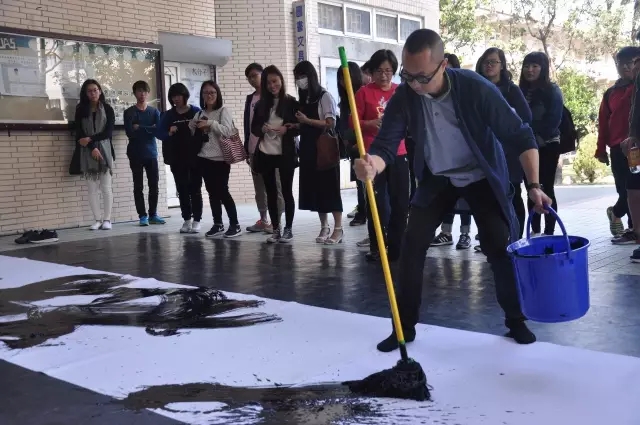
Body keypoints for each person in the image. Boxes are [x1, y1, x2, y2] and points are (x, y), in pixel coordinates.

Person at [353, 29, 552, 352]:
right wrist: (372, 165)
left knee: (499, 245)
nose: (414, 84)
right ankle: (403, 327)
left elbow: (521, 135)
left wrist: (533, 186)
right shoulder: (407, 96)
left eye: (421, 77)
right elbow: (387, 145)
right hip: (437, 176)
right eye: (408, 75)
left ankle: (515, 319)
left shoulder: (476, 89)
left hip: (481, 176)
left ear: (443, 65)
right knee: (410, 244)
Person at [353, 49, 410, 263]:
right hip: (373, 156)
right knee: (378, 204)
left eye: (388, 70)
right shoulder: (363, 93)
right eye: (379, 70)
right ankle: (377, 246)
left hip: (399, 154)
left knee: (401, 203)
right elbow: (353, 124)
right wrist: (369, 124)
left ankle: (396, 248)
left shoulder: (400, 91)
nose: (384, 75)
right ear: (372, 71)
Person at [474, 47, 533, 252]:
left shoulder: (510, 90)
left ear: (502, 66)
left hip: (507, 151)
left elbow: (525, 118)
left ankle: (515, 237)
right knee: (487, 196)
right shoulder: (474, 87)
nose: (489, 65)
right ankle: (492, 239)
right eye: (486, 62)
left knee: (512, 194)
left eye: (493, 62)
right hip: (482, 150)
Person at [293, 60, 343, 244]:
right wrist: (297, 124)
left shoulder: (324, 96)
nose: (300, 81)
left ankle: (338, 228)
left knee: (330, 189)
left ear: (311, 76)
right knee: (316, 190)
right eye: (297, 77)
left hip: (324, 149)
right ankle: (324, 226)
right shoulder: (305, 99)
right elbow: (305, 123)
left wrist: (307, 121)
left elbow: (330, 123)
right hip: (308, 150)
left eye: (302, 76)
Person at [251, 65, 300, 243]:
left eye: (275, 81)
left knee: (286, 191)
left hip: (285, 152)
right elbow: (253, 128)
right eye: (268, 82)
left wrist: (286, 128)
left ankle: (288, 229)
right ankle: (276, 229)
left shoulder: (291, 102)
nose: (272, 85)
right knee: (271, 192)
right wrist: (262, 129)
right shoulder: (261, 104)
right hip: (265, 152)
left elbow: (299, 127)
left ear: (281, 80)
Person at [431, 52, 475, 250]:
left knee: (465, 201)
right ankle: (446, 232)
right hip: (443, 161)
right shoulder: (431, 97)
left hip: (466, 161)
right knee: (446, 199)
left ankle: (465, 234)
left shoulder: (465, 93)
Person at [596, 47, 640, 241]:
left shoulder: (636, 88)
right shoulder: (610, 93)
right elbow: (603, 122)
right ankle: (631, 227)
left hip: (635, 146)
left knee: (635, 188)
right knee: (624, 189)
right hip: (617, 148)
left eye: (630, 63)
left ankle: (620, 216)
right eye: (621, 64)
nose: (626, 68)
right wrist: (600, 149)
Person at [189, 80, 242, 238]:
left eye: (212, 92)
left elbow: (227, 131)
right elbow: (193, 132)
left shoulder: (223, 110)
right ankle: (217, 223)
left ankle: (235, 224)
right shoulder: (199, 112)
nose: (209, 95)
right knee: (212, 193)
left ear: (217, 94)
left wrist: (210, 124)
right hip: (203, 157)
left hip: (220, 158)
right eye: (206, 93)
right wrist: (193, 125)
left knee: (223, 191)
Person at [519, 52, 564, 236]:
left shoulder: (552, 90)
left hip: (547, 145)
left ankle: (549, 232)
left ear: (543, 68)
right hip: (526, 147)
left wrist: (536, 140)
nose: (530, 70)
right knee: (531, 187)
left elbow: (554, 120)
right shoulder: (519, 91)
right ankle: (535, 231)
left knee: (546, 186)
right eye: (527, 66)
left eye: (535, 66)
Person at [243, 63, 284, 234]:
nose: (253, 79)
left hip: (273, 149)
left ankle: (278, 222)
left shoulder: (274, 98)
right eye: (249, 77)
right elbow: (248, 125)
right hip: (255, 149)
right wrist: (247, 146)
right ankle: (263, 219)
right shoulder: (250, 99)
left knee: (276, 186)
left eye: (255, 75)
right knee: (259, 187)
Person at [157, 82, 203, 233]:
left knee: (195, 188)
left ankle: (197, 220)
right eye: (173, 96)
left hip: (195, 157)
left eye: (178, 96)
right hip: (177, 158)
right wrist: (169, 132)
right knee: (182, 189)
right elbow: (159, 133)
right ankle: (187, 220)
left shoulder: (196, 111)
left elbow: (205, 130)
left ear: (185, 96)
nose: (176, 99)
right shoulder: (168, 115)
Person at [75, 79, 116, 230]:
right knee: (91, 188)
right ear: (85, 94)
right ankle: (97, 219)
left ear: (100, 90)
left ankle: (107, 220)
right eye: (89, 91)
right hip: (87, 151)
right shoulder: (80, 109)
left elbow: (108, 132)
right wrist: (92, 146)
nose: (93, 93)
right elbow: (79, 132)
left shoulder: (107, 108)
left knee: (106, 187)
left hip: (105, 150)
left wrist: (91, 140)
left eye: (95, 90)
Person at [123, 80, 164, 227]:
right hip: (135, 153)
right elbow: (130, 133)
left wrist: (140, 126)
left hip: (151, 153)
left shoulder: (154, 112)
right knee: (138, 186)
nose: (142, 94)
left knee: (154, 185)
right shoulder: (129, 112)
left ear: (148, 93)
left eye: (145, 91)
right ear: (135, 93)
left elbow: (158, 131)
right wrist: (149, 128)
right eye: (139, 91)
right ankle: (142, 216)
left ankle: (153, 214)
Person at [338, 61, 367, 227]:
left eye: (346, 77)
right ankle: (362, 212)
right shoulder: (344, 100)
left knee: (368, 183)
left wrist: (359, 142)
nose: (343, 81)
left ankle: (366, 213)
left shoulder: (362, 95)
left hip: (365, 147)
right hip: (352, 147)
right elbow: (344, 125)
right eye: (341, 78)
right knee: (359, 183)